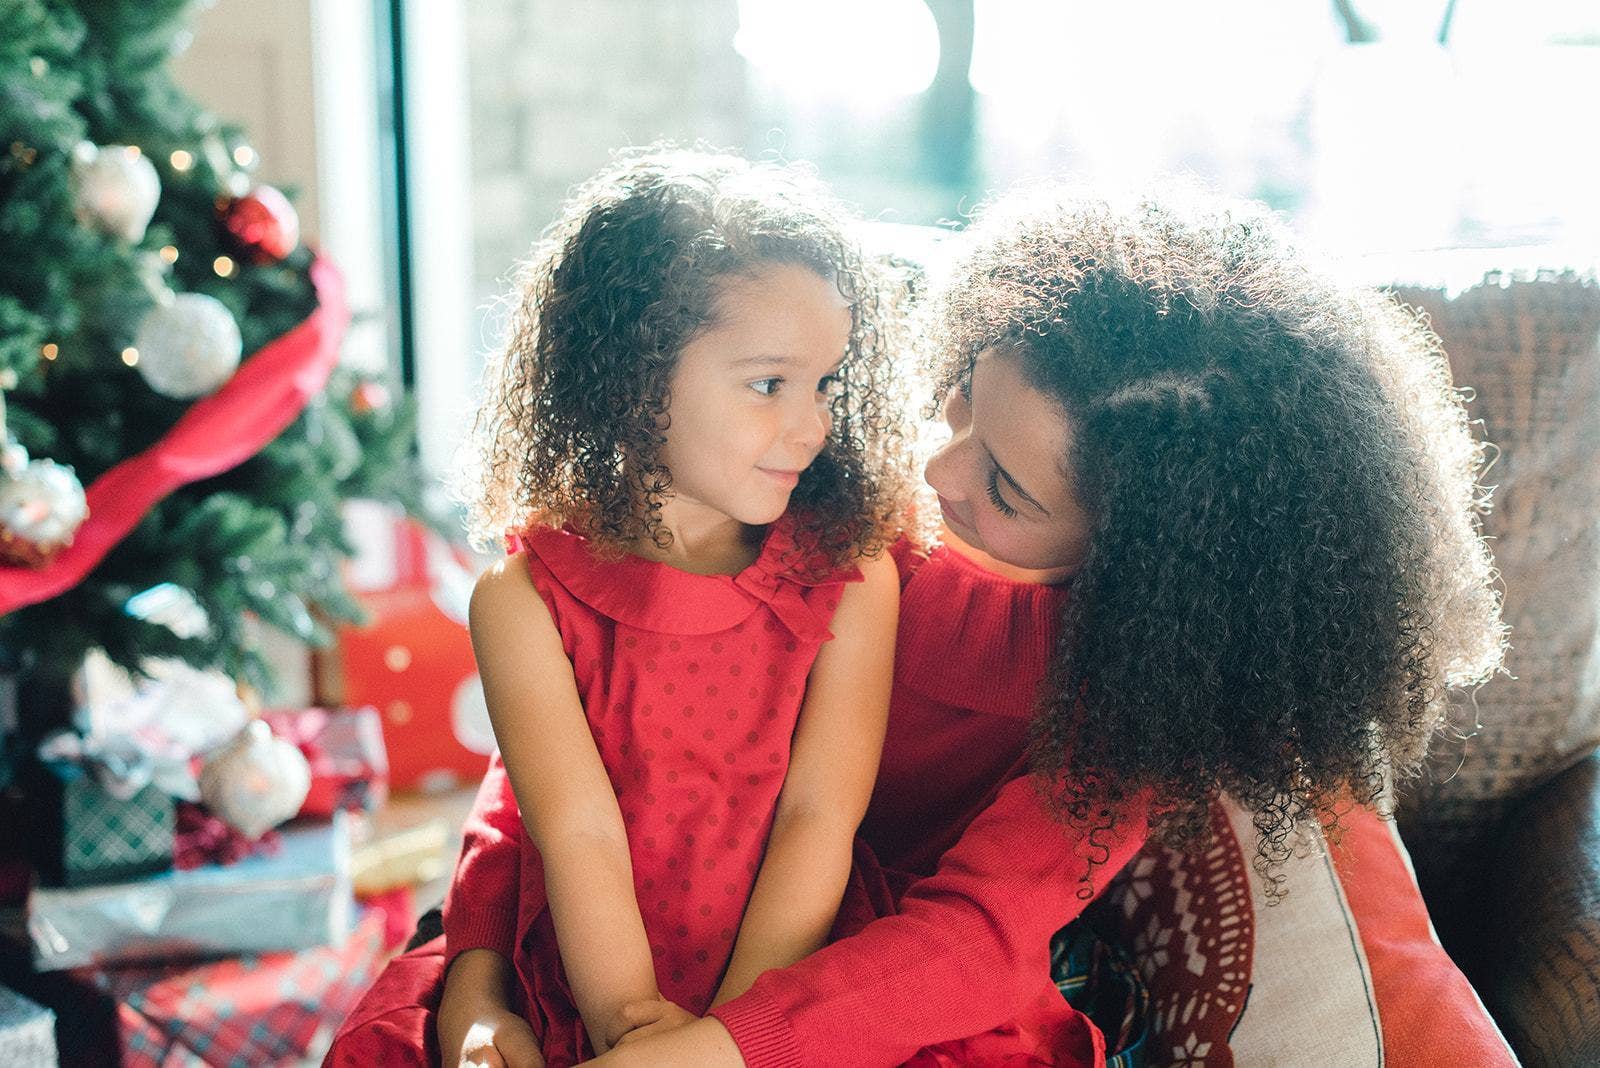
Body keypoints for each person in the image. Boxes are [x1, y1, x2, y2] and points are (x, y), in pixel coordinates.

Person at [327, 183, 1505, 1067]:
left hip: (837, 992)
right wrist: (478, 980)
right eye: (955, 406)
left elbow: (982, 937)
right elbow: (574, 751)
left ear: (1148, 567)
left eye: (1005, 486)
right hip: (590, 935)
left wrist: (722, 1046)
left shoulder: (1135, 686)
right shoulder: (810, 489)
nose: (930, 474)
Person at [329, 146, 914, 1068]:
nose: (812, 426)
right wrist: (629, 1024)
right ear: (632, 379)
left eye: (826, 385)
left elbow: (818, 816)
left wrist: (730, 1037)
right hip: (594, 977)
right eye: (770, 385)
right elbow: (576, 834)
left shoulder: (851, 574)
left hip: (788, 982)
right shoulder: (523, 600)